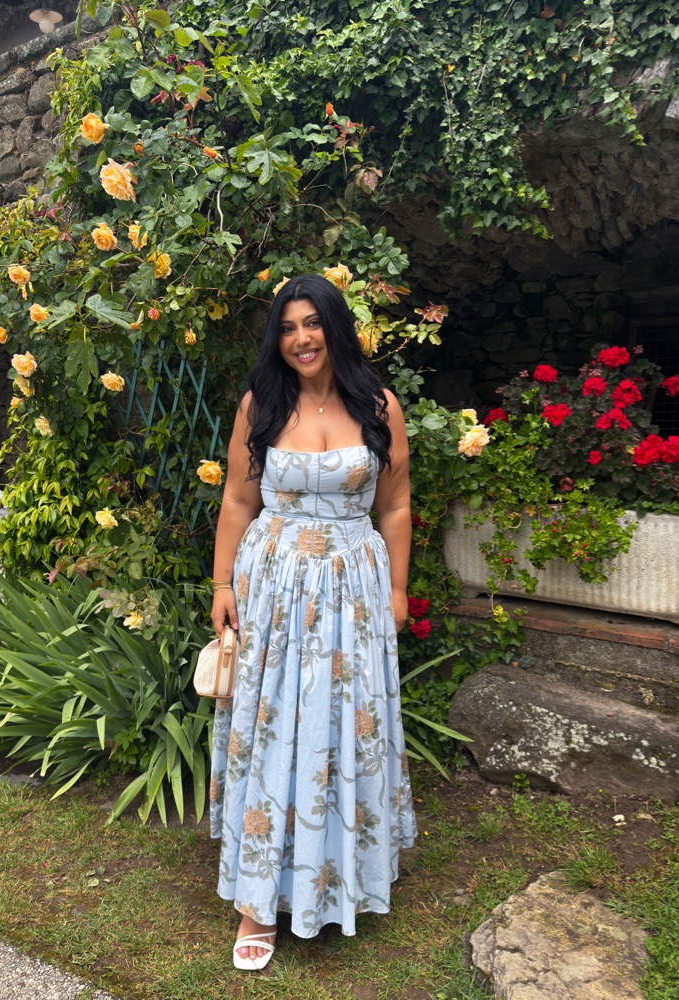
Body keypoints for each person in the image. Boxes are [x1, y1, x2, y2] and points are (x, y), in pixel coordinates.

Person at [209, 274, 417, 971]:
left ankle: (341, 875)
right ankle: (256, 901)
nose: (301, 339)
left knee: (342, 724)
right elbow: (237, 502)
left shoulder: (377, 405)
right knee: (274, 726)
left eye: (313, 323)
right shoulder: (261, 404)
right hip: (272, 587)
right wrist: (222, 583)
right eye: (287, 327)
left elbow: (394, 504)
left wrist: (396, 590)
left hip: (353, 587)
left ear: (336, 327)